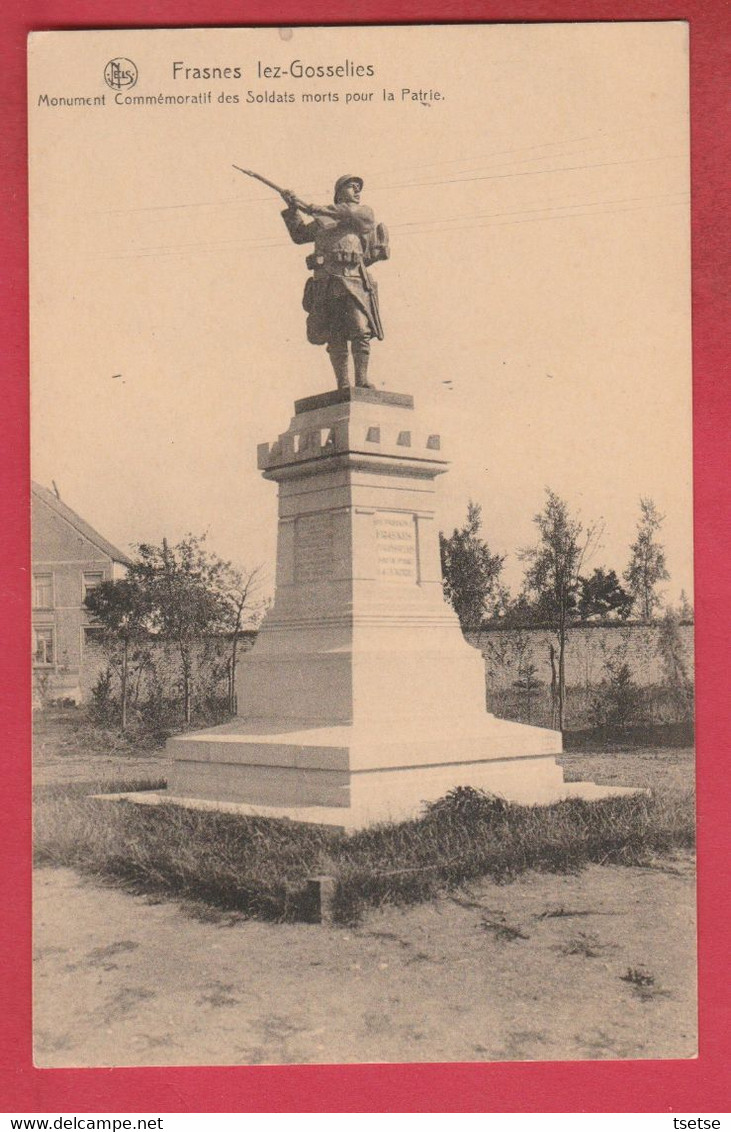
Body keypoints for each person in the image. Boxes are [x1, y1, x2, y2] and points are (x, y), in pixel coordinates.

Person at [280, 175, 389, 390]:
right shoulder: (324, 222)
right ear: (339, 191)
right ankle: (343, 384)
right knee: (334, 333)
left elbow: (352, 213)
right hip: (326, 281)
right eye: (352, 187)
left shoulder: (361, 216)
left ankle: (361, 380)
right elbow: (300, 234)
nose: (357, 192)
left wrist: (313, 207)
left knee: (360, 329)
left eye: (359, 188)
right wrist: (292, 207)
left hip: (353, 280)